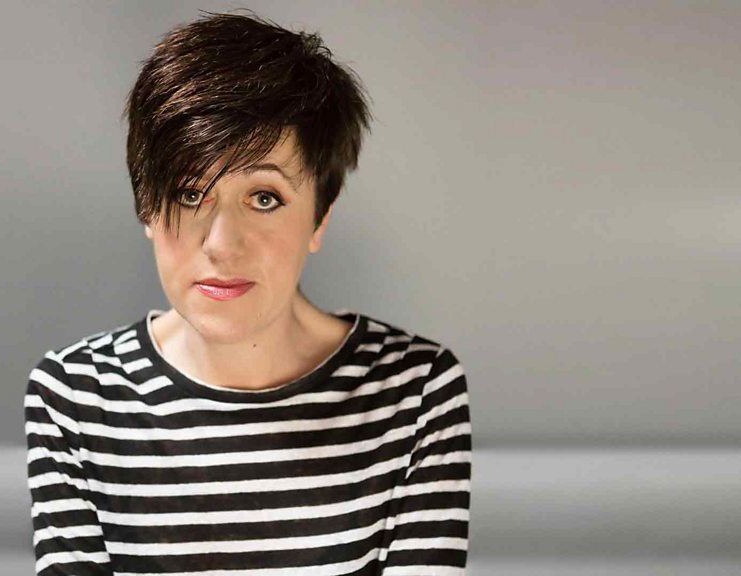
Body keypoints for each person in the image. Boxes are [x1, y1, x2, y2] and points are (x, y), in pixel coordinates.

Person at [25, 10, 472, 575]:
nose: (221, 245)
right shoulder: (75, 396)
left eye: (264, 198)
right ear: (146, 208)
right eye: (190, 194)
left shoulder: (417, 391)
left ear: (320, 218)